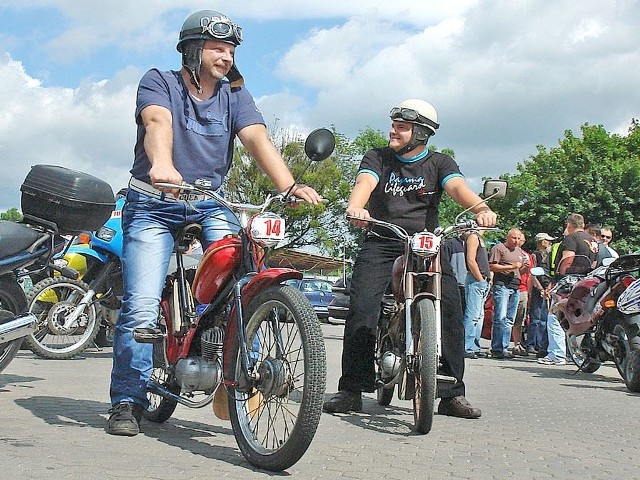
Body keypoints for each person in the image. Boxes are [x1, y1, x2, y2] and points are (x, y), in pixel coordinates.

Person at [107, 10, 322, 437]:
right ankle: (127, 401)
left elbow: (257, 136)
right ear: (192, 49)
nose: (226, 57)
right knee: (142, 306)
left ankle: (244, 378)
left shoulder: (234, 95)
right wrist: (163, 165)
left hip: (208, 202)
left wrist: (289, 184)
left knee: (246, 277)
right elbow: (157, 121)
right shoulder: (159, 81)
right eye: (217, 48)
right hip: (154, 202)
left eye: (231, 50)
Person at [322, 99, 496, 419]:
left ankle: (450, 393)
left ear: (421, 133)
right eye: (393, 125)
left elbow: (457, 188)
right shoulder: (378, 157)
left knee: (451, 308)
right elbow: (365, 182)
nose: (393, 131)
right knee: (362, 308)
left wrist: (481, 208)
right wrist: (357, 207)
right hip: (382, 240)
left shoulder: (440, 163)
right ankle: (351, 388)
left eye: (401, 128)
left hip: (424, 244)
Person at [488, 229, 528, 359]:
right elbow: (492, 266)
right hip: (502, 285)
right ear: (508, 237)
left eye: (518, 239)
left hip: (515, 286)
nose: (516, 241)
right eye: (514, 238)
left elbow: (519, 271)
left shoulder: (519, 252)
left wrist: (524, 268)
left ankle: (504, 347)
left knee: (510, 320)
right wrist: (511, 267)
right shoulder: (499, 248)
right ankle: (497, 348)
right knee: (500, 317)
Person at [462, 229, 491, 359]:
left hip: (482, 280)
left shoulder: (480, 238)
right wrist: (480, 278)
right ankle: (466, 347)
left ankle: (474, 345)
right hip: (476, 281)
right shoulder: (473, 237)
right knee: (472, 315)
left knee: (479, 316)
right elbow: (471, 260)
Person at [526, 232, 554, 356]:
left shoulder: (550, 256)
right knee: (535, 318)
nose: (550, 243)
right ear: (542, 242)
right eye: (548, 241)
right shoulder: (535, 256)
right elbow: (533, 274)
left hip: (548, 289)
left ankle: (540, 344)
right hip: (538, 291)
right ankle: (530, 344)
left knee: (544, 318)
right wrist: (540, 289)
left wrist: (548, 288)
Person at [511, 234, 533, 356]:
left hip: (522, 288)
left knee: (520, 319)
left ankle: (517, 345)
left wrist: (528, 292)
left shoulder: (527, 256)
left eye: (521, 239)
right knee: (503, 318)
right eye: (515, 238)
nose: (518, 241)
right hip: (507, 287)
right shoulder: (505, 251)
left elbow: (530, 275)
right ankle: (498, 344)